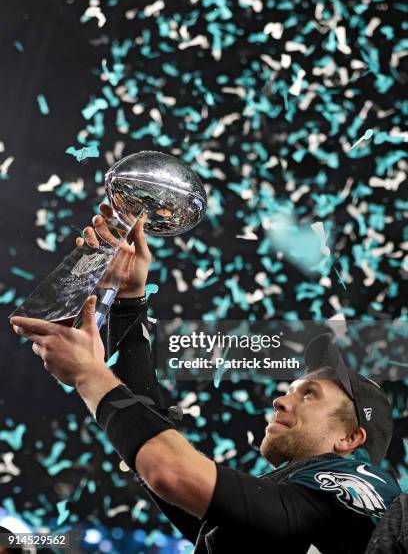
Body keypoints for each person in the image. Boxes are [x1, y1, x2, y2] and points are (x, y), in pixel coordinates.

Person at [10, 206, 401, 553]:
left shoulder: (362, 484)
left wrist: (89, 375)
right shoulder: (284, 511)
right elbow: (156, 443)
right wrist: (129, 301)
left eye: (310, 395)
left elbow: (172, 472)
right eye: (290, 391)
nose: (281, 402)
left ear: (350, 439)